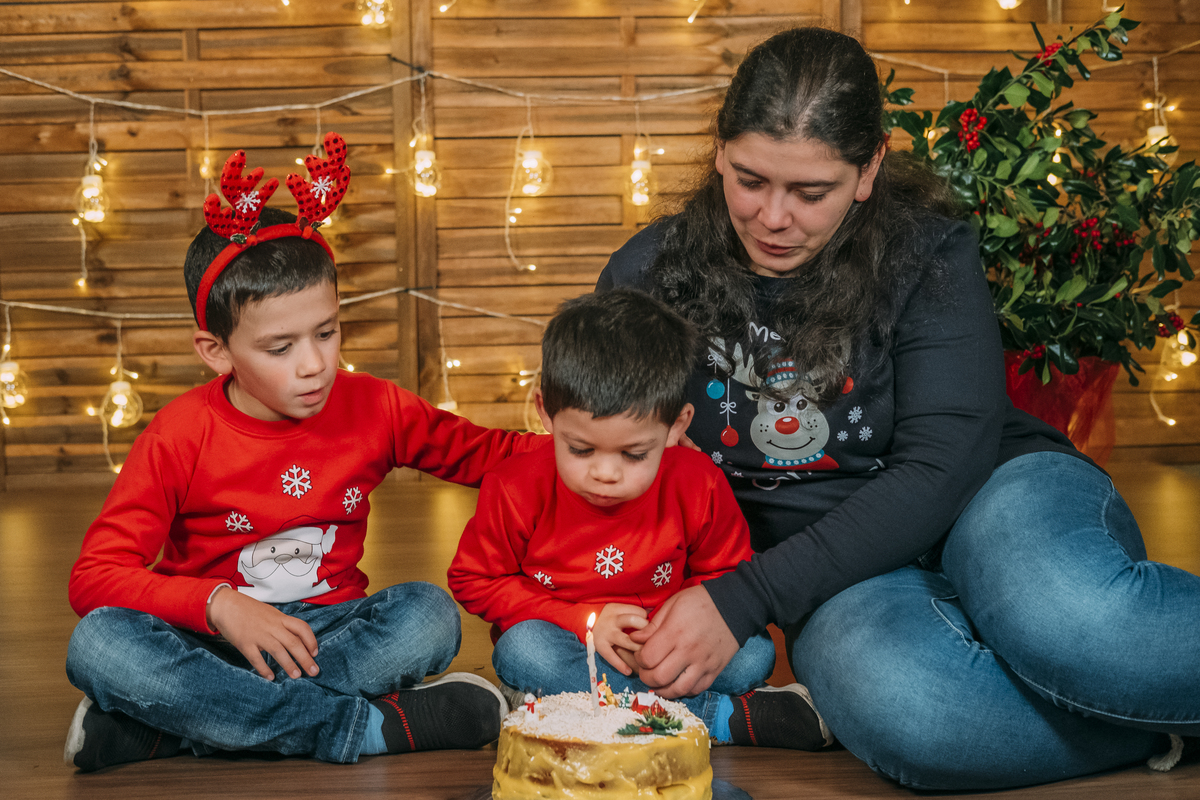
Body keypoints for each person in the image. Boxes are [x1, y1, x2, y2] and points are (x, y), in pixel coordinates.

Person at [596, 27, 1200, 791]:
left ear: (869, 168)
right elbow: (603, 461)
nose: (773, 218)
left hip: (991, 493)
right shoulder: (644, 277)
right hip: (839, 571)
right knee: (914, 712)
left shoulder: (928, 256)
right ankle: (1162, 730)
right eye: (751, 179)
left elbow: (944, 466)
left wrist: (745, 597)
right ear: (719, 149)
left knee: (1068, 622)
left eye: (811, 192)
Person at [64, 139, 541, 772]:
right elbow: (94, 577)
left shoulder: (374, 406)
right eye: (280, 347)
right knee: (99, 643)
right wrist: (219, 605)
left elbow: (492, 456)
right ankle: (360, 727)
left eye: (326, 331)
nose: (315, 364)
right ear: (216, 350)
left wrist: (608, 440)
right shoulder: (180, 434)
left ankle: (178, 728)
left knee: (428, 617)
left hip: (327, 637)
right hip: (210, 643)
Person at [447, 288, 831, 749]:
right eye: (580, 449)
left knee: (752, 655)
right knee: (521, 650)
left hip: (664, 641)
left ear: (676, 426)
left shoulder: (698, 481)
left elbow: (726, 573)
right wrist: (581, 618)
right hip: (568, 639)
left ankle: (577, 707)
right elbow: (475, 579)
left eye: (633, 454)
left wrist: (671, 625)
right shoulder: (514, 485)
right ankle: (713, 717)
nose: (605, 474)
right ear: (544, 411)